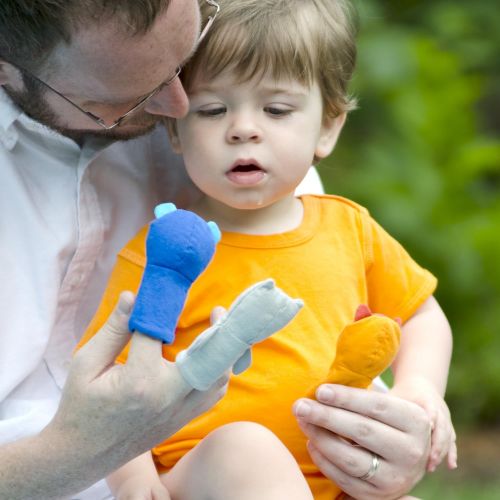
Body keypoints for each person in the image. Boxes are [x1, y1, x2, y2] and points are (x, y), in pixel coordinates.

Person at [0, 0, 446, 498]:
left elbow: (419, 315)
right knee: (247, 452)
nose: (243, 129)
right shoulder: (166, 250)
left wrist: (417, 394)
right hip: (207, 471)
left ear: (329, 126)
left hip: (332, 473)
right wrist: (131, 474)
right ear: (175, 132)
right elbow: (111, 381)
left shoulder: (344, 224)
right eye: (211, 109)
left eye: (276, 110)